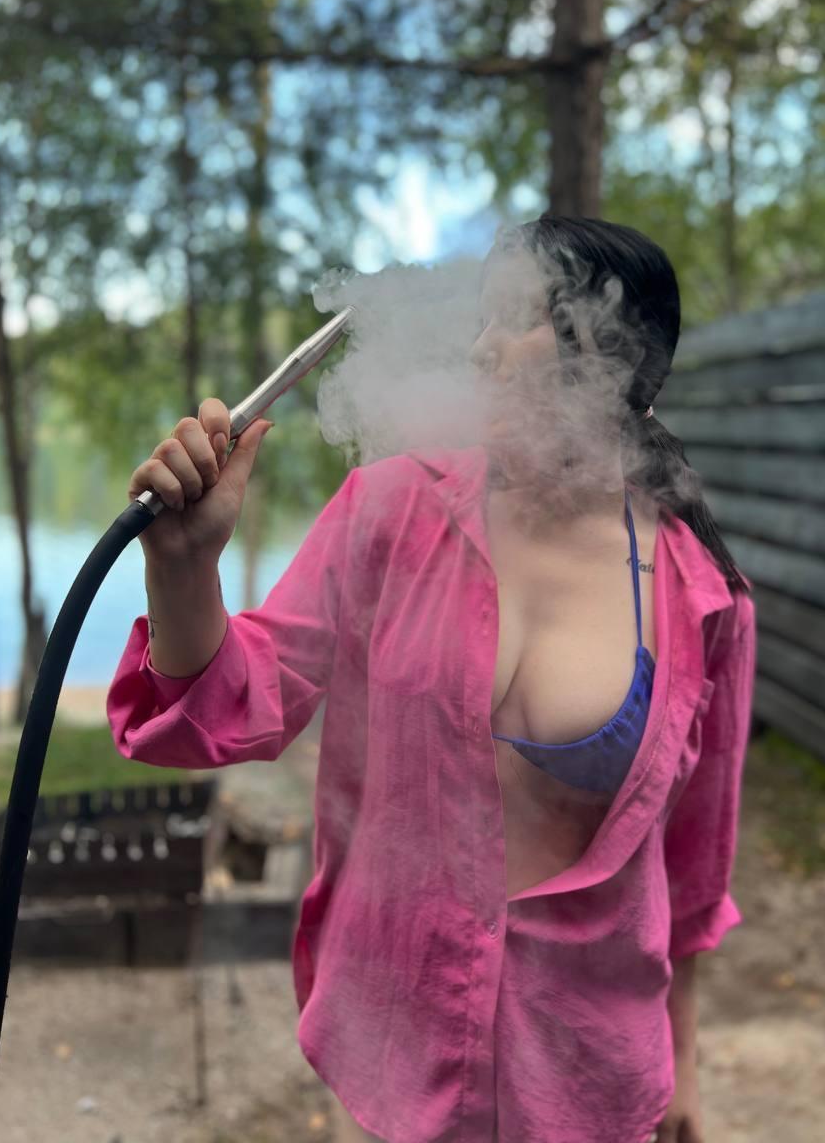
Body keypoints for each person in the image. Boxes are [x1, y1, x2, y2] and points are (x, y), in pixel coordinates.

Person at [106, 217, 757, 1143]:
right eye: (479, 321)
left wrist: (684, 1062)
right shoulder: (391, 510)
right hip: (399, 1054)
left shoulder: (705, 599)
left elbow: (694, 865)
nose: (481, 351)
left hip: (590, 1074)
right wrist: (182, 570)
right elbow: (235, 704)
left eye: (512, 320)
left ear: (611, 350)